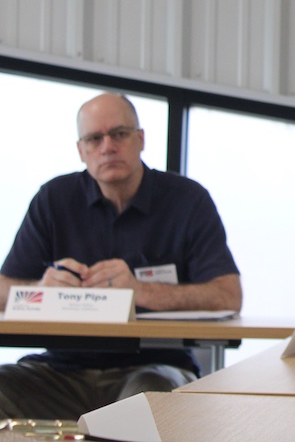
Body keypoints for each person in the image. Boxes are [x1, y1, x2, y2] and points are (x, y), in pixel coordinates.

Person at [0, 92, 242, 420]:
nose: (107, 147)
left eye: (119, 134)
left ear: (140, 139)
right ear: (81, 150)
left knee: (143, 403)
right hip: (59, 372)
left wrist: (140, 291)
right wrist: (41, 291)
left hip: (154, 367)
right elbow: (3, 290)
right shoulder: (53, 199)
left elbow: (227, 296)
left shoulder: (187, 201)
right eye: (94, 139)